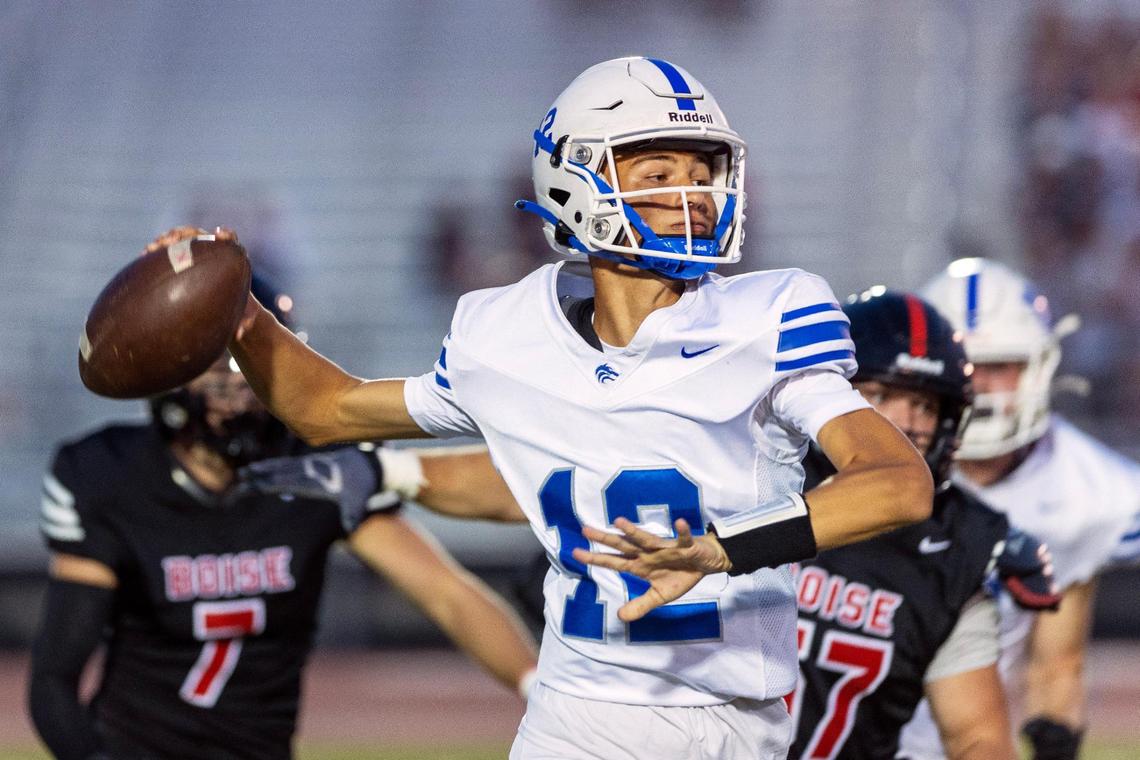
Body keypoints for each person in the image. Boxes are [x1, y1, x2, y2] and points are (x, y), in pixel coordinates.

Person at [175, 57, 933, 759]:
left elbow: (899, 481)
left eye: (703, 172)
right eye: (657, 170)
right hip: (574, 710)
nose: (692, 195)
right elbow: (327, 410)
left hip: (727, 717)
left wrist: (720, 550)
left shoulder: (768, 315)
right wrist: (235, 308)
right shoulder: (502, 334)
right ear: (577, 181)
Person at [27, 279, 538, 760]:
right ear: (174, 378)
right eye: (219, 373)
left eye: (248, 373)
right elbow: (54, 679)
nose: (238, 391)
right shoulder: (109, 476)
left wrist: (533, 684)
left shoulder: (311, 471)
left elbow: (446, 593)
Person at [785, 290, 1061, 760]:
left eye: (927, 406)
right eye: (882, 394)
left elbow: (978, 737)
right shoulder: (763, 474)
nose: (907, 423)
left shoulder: (955, 550)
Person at [897, 257, 1140, 760]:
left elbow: (1055, 667)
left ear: (1039, 366)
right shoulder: (874, 459)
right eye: (964, 364)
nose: (978, 386)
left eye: (997, 366)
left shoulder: (1086, 494)